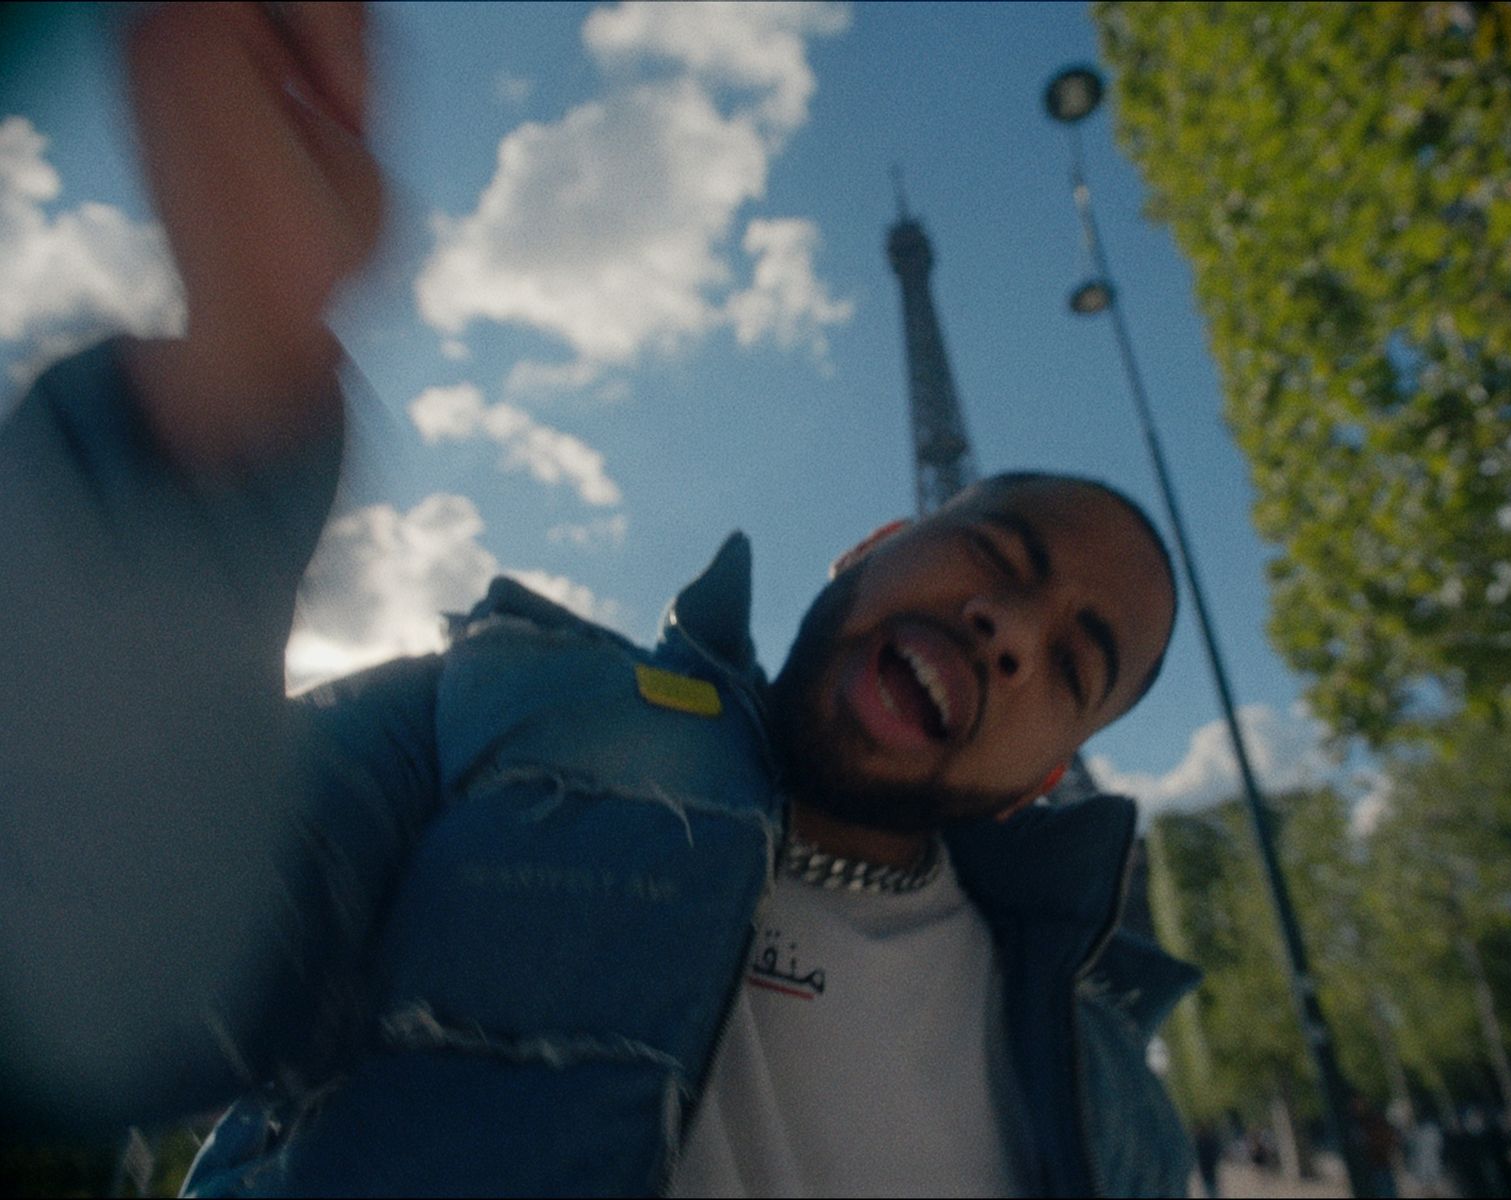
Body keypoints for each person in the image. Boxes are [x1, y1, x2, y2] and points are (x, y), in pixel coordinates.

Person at [0, 4, 1197, 1195]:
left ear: (1050, 779)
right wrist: (218, 418)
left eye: (1073, 665)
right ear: (870, 546)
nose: (1009, 633)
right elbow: (116, 982)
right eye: (997, 556)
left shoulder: (1111, 1110)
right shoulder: (502, 709)